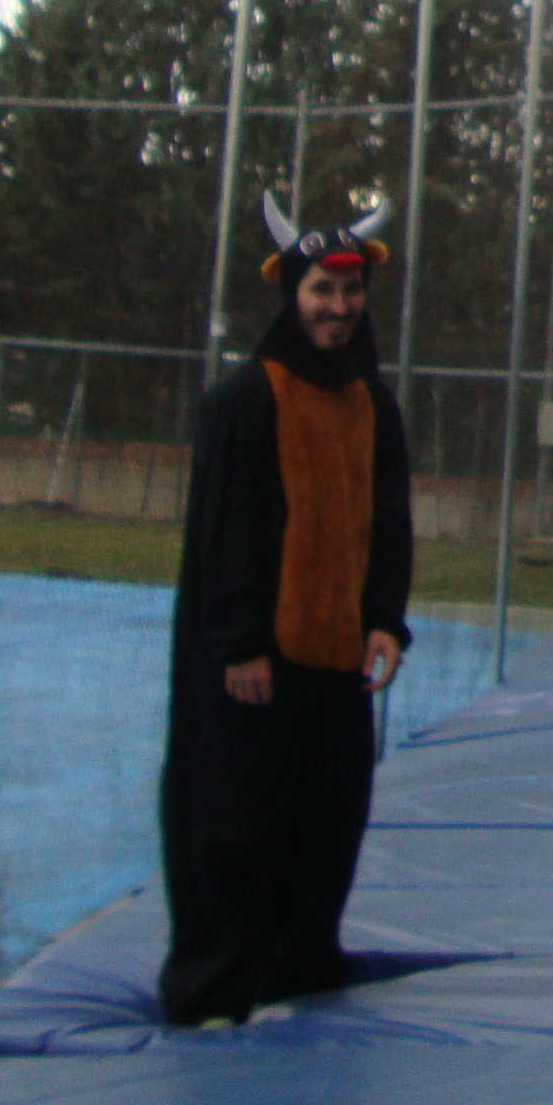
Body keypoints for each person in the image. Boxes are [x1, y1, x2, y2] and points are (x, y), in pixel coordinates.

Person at [158, 196, 414, 1027]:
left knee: (327, 823)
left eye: (350, 295)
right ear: (290, 296)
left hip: (336, 662)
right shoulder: (245, 400)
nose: (338, 310)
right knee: (237, 830)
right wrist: (238, 643)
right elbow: (226, 531)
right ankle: (217, 987)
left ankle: (299, 968)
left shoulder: (373, 404)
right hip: (256, 667)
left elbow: (386, 521)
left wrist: (384, 617)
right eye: (320, 294)